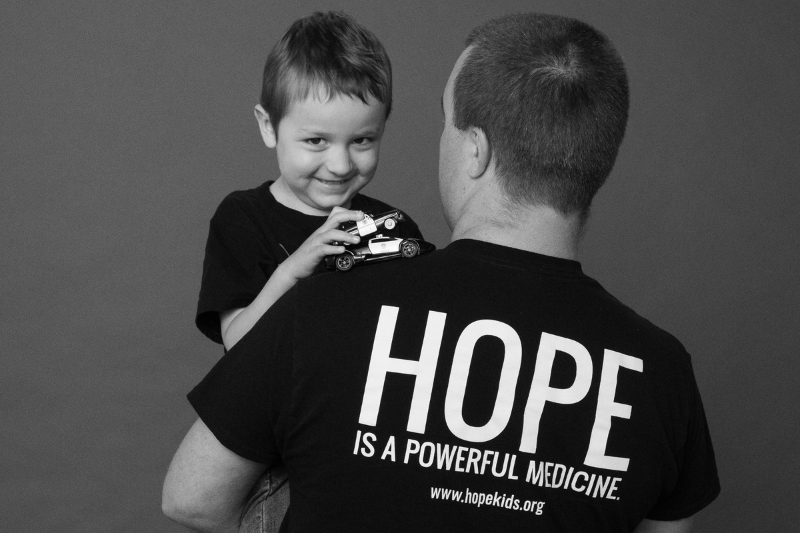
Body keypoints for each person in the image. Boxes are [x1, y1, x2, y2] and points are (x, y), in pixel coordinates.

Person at [164, 12, 720, 533]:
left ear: (475, 150)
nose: (341, 162)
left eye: (445, 123)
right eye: (317, 140)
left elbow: (192, 499)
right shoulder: (665, 374)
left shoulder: (316, 311)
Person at [192, 11, 423, 532]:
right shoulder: (243, 218)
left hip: (366, 450)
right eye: (316, 141)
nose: (340, 165)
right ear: (268, 126)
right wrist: (294, 269)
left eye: (363, 141)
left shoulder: (392, 227)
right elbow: (238, 347)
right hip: (279, 456)